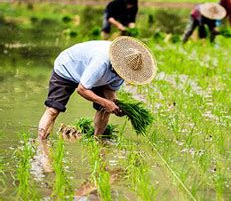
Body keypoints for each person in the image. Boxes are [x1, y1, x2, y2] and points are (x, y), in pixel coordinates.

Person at [37, 36, 156, 172]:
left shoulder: (123, 72)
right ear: (118, 64)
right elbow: (82, 89)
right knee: (53, 110)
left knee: (105, 109)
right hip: (67, 69)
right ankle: (42, 148)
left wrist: (114, 104)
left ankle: (97, 142)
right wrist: (105, 102)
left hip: (94, 77)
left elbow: (110, 91)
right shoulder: (101, 62)